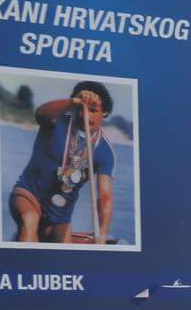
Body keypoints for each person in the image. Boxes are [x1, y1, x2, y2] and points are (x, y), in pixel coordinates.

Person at [9, 80, 115, 245]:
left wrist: (102, 234)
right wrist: (74, 101)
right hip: (29, 194)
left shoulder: (105, 151)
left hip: (59, 215)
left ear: (105, 113)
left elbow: (105, 196)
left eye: (93, 110)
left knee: (65, 250)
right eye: (81, 108)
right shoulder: (56, 119)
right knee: (29, 220)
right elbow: (41, 113)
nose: (85, 115)